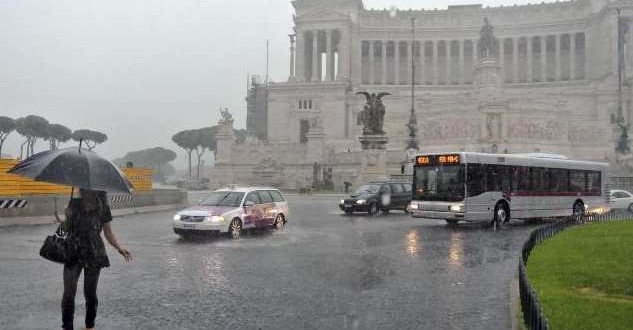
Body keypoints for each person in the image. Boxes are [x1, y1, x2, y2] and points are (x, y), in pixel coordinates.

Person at [56, 189, 132, 330]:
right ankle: (67, 326)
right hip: (73, 251)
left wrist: (119, 247)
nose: (86, 191)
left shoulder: (103, 207)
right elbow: (65, 229)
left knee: (90, 293)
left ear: (97, 191)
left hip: (94, 253)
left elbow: (108, 232)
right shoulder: (74, 203)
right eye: (84, 189)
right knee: (68, 292)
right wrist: (65, 216)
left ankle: (89, 326)